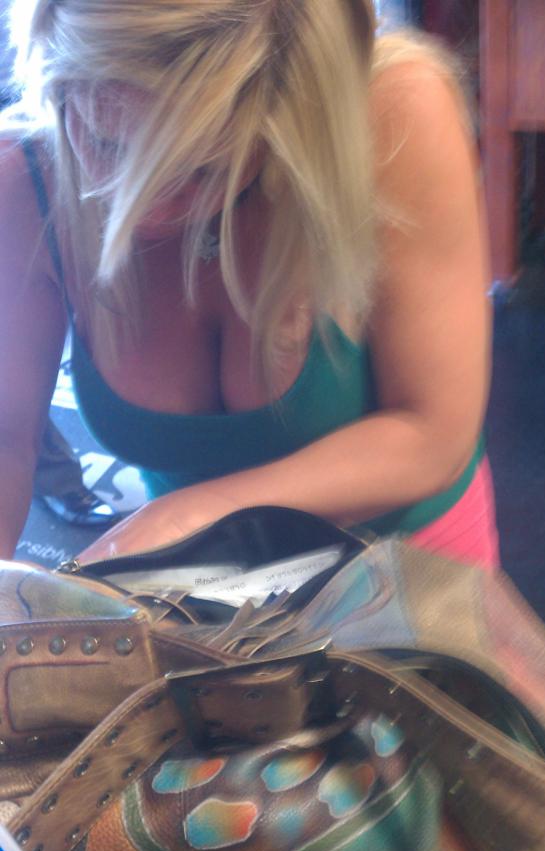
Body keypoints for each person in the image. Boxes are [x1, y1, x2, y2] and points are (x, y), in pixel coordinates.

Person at [0, 0, 498, 570]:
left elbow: (432, 435)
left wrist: (189, 516)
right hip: (198, 580)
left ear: (292, 117)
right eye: (107, 143)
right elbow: (7, 439)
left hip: (407, 571)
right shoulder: (22, 179)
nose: (145, 204)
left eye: (203, 168)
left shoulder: (394, 114)